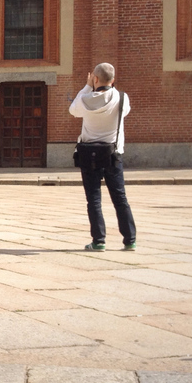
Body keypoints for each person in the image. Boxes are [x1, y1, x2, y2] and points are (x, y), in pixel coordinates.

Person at [69, 62, 136, 252]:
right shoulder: (122, 98)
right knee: (120, 197)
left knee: (94, 199)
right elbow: (125, 113)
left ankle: (99, 241)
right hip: (113, 154)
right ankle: (130, 239)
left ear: (95, 79)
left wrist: (87, 86)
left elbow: (73, 110)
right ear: (113, 80)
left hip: (89, 155)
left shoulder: (85, 99)